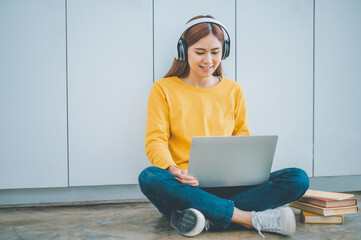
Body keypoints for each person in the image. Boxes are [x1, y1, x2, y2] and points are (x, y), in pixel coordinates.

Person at [138, 15, 309, 238]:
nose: (208, 60)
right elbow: (155, 140)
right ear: (183, 50)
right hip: (186, 187)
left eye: (215, 52)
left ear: (224, 51)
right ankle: (247, 218)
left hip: (231, 184)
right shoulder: (163, 89)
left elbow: (243, 138)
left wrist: (245, 171)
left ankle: (200, 217)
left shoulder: (233, 90)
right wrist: (173, 170)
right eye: (200, 52)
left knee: (298, 178)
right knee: (149, 177)